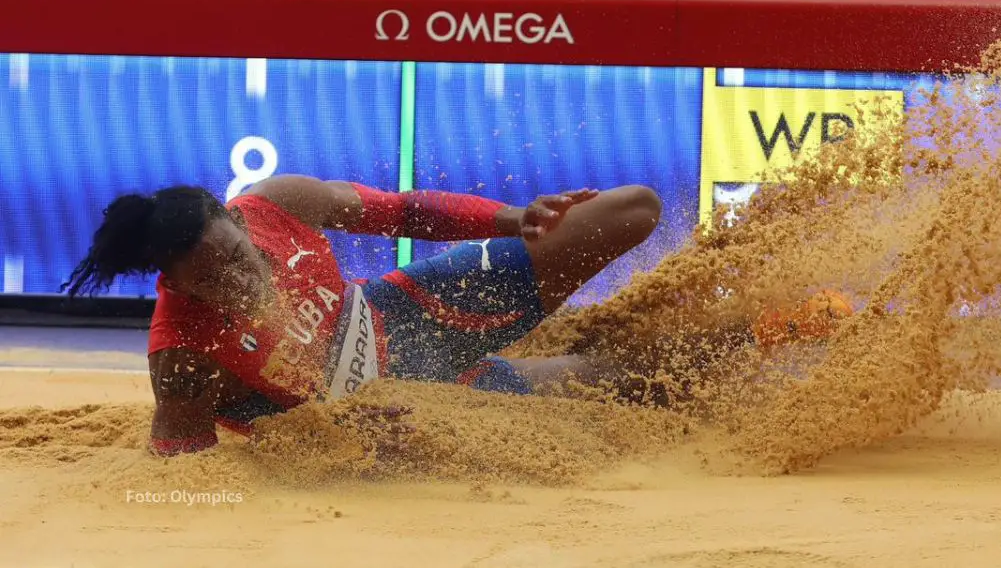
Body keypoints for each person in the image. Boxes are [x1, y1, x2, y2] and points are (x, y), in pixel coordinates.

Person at [62, 175, 662, 456]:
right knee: (618, 384)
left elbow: (401, 212)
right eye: (211, 280)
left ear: (241, 222)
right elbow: (182, 486)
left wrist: (516, 218)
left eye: (237, 260)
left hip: (399, 311)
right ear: (175, 283)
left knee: (631, 209)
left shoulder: (275, 203)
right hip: (395, 411)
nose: (238, 281)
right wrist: (316, 448)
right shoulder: (182, 360)